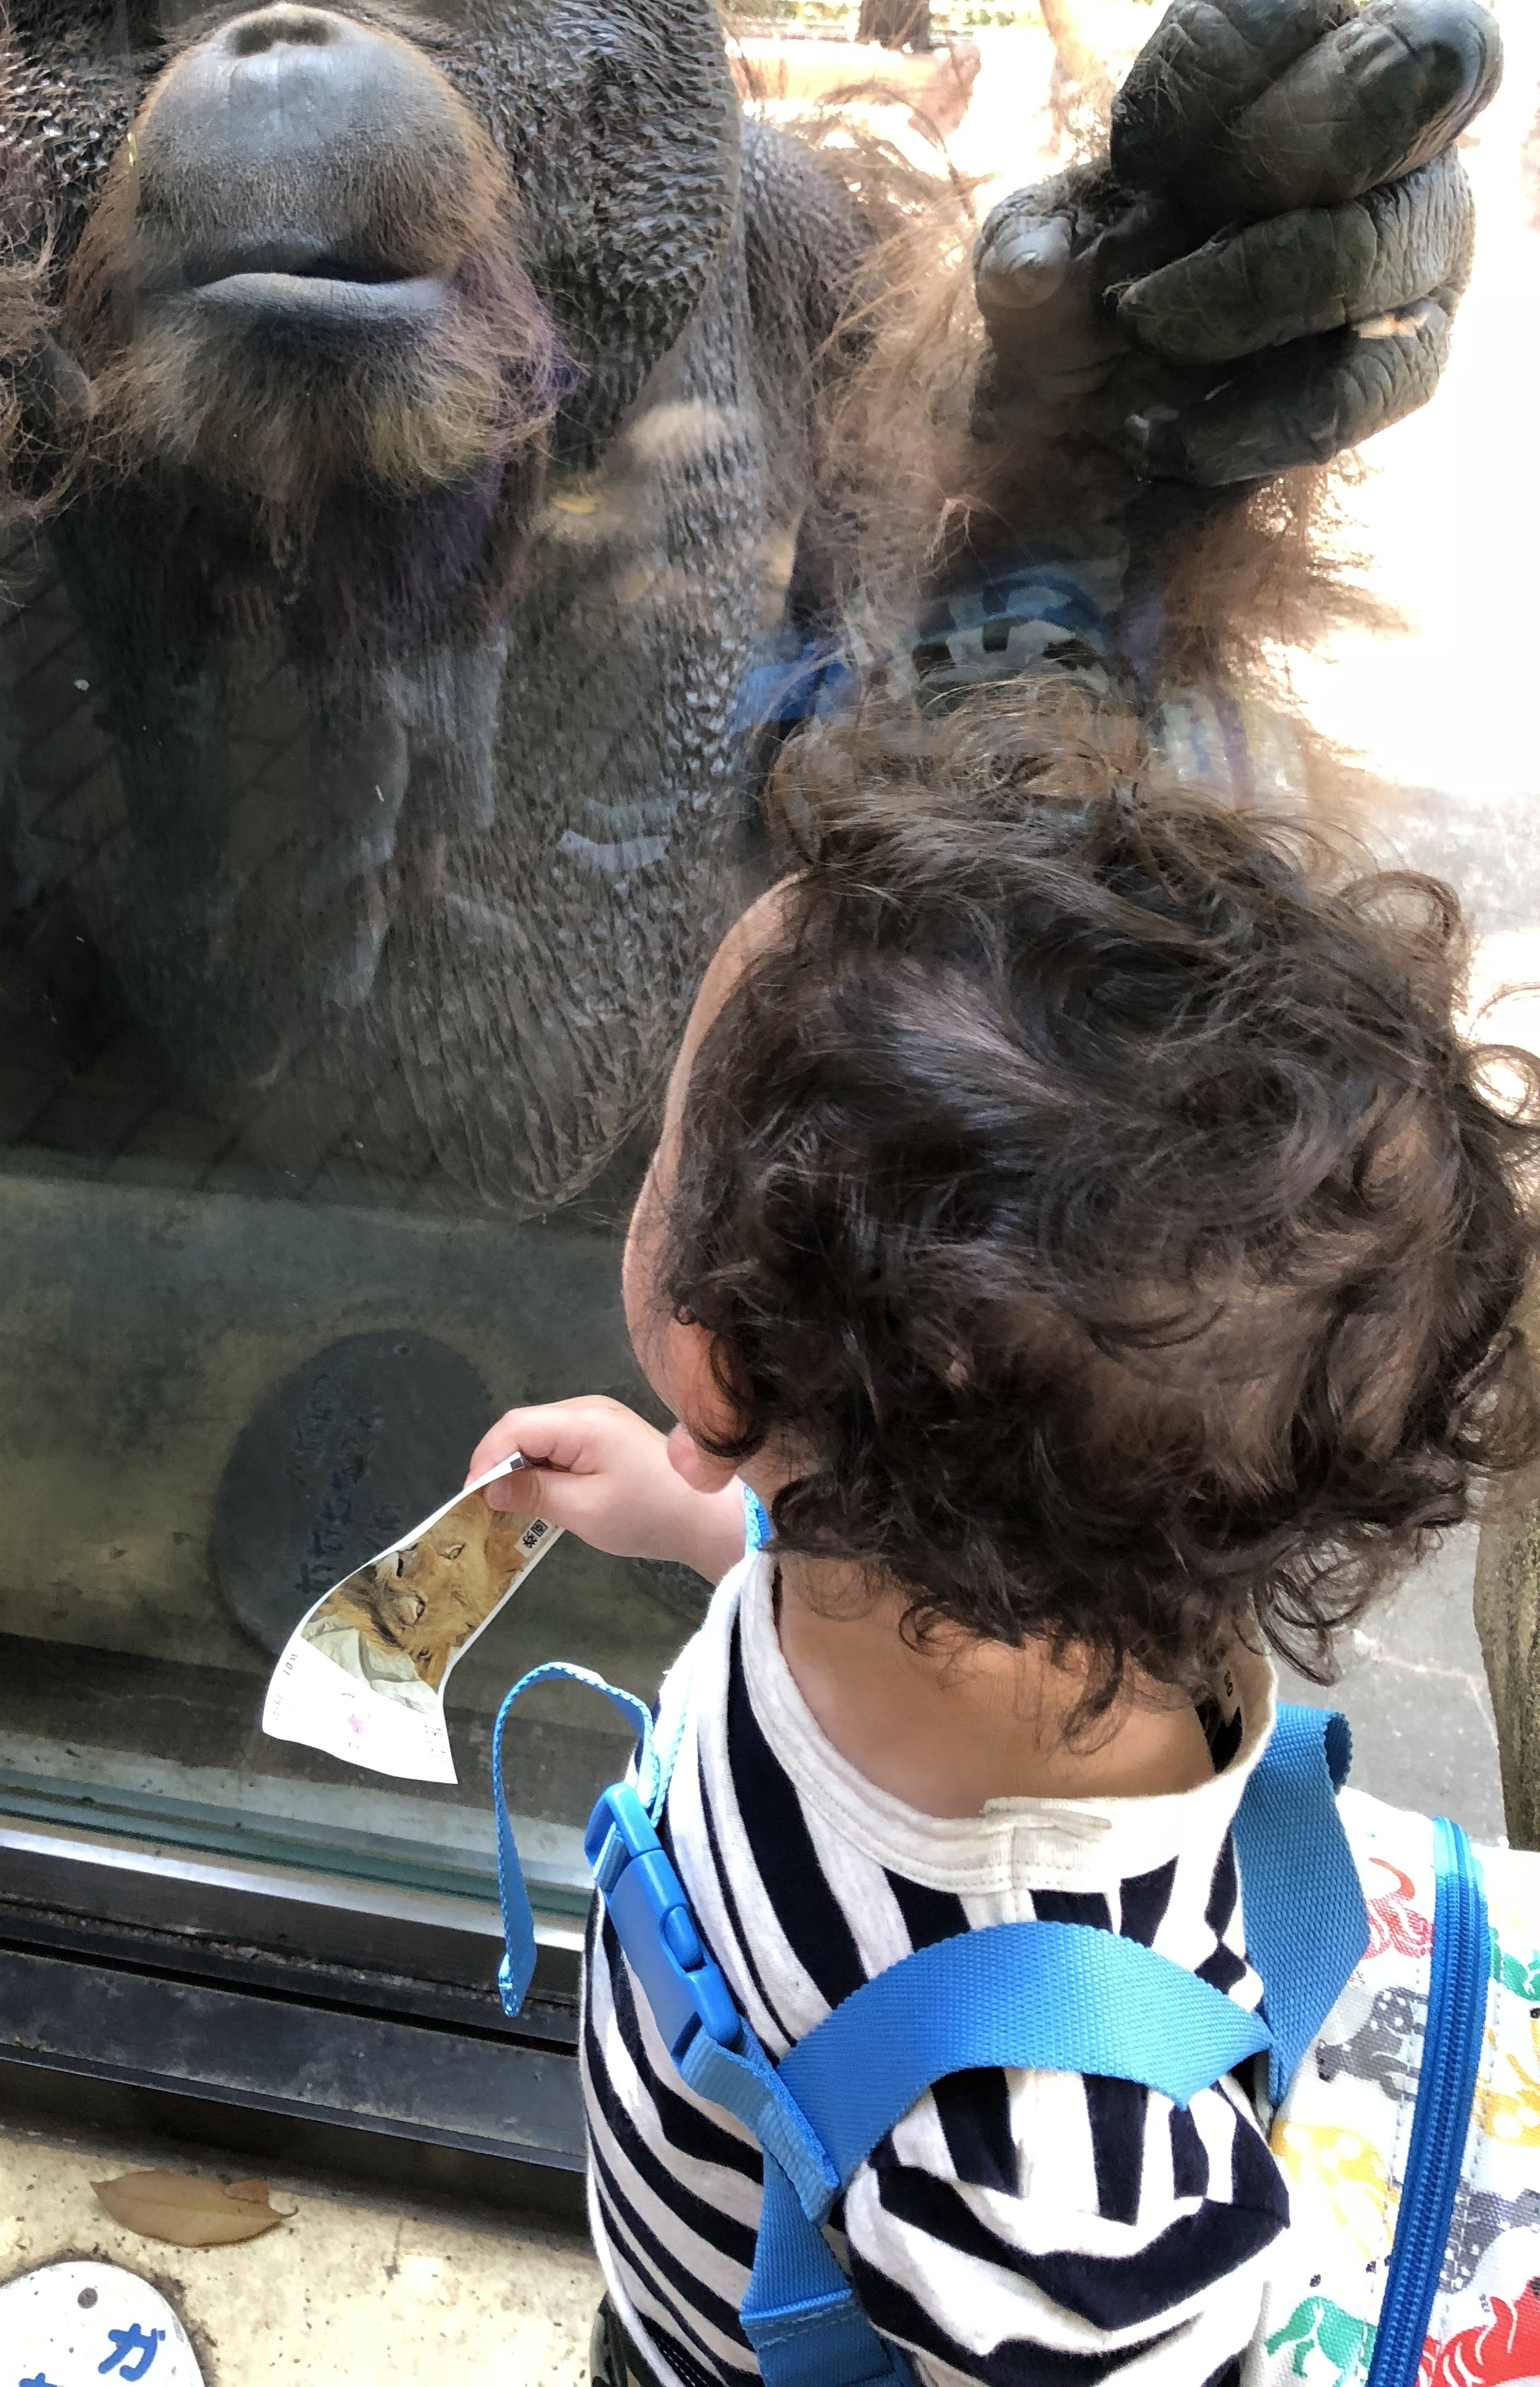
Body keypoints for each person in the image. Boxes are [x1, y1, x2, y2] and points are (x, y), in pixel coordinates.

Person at [464, 710, 1540, 2387]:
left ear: (718, 1359)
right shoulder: (1026, 1581)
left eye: (661, 1149)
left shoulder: (1056, 2146)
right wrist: (696, 1518)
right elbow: (855, 1571)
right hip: (731, 2232)